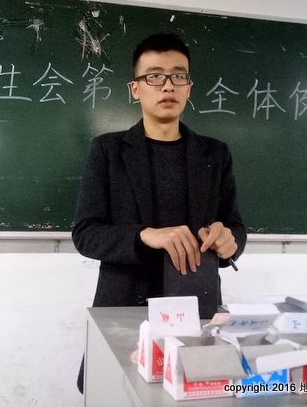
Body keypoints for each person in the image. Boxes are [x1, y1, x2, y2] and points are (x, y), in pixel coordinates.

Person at [72, 33, 246, 391]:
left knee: (196, 392)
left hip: (196, 308)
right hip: (123, 306)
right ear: (136, 89)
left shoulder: (215, 154)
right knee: (114, 393)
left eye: (178, 75)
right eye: (154, 76)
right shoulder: (108, 151)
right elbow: (86, 233)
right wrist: (144, 235)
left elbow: (234, 227)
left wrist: (230, 242)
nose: (168, 85)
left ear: (189, 87)